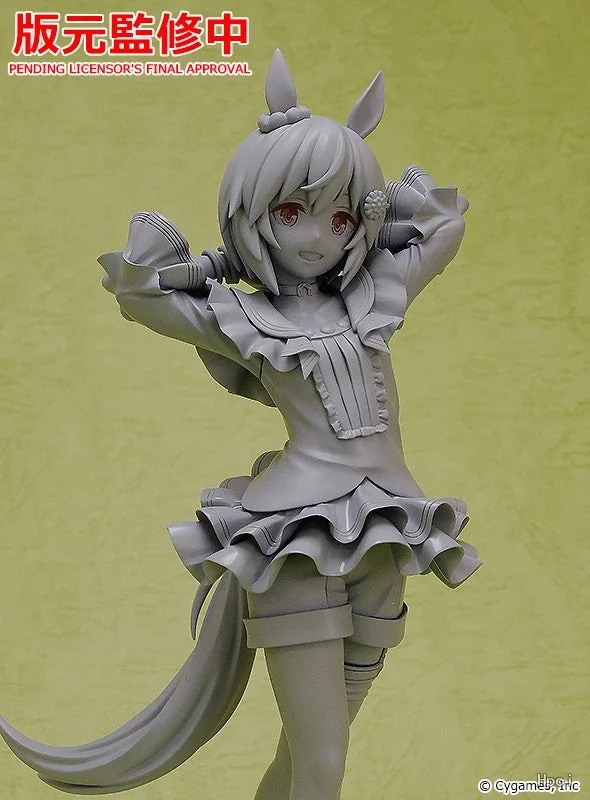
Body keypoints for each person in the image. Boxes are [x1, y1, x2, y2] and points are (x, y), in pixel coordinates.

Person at [0, 50, 480, 800]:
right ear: (255, 213)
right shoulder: (244, 315)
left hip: (387, 535)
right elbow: (141, 293)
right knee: (324, 763)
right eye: (290, 212)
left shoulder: (377, 291)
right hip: (297, 544)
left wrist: (376, 204)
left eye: (338, 216)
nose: (316, 235)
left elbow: (444, 223)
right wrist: (222, 262)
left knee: (306, 759)